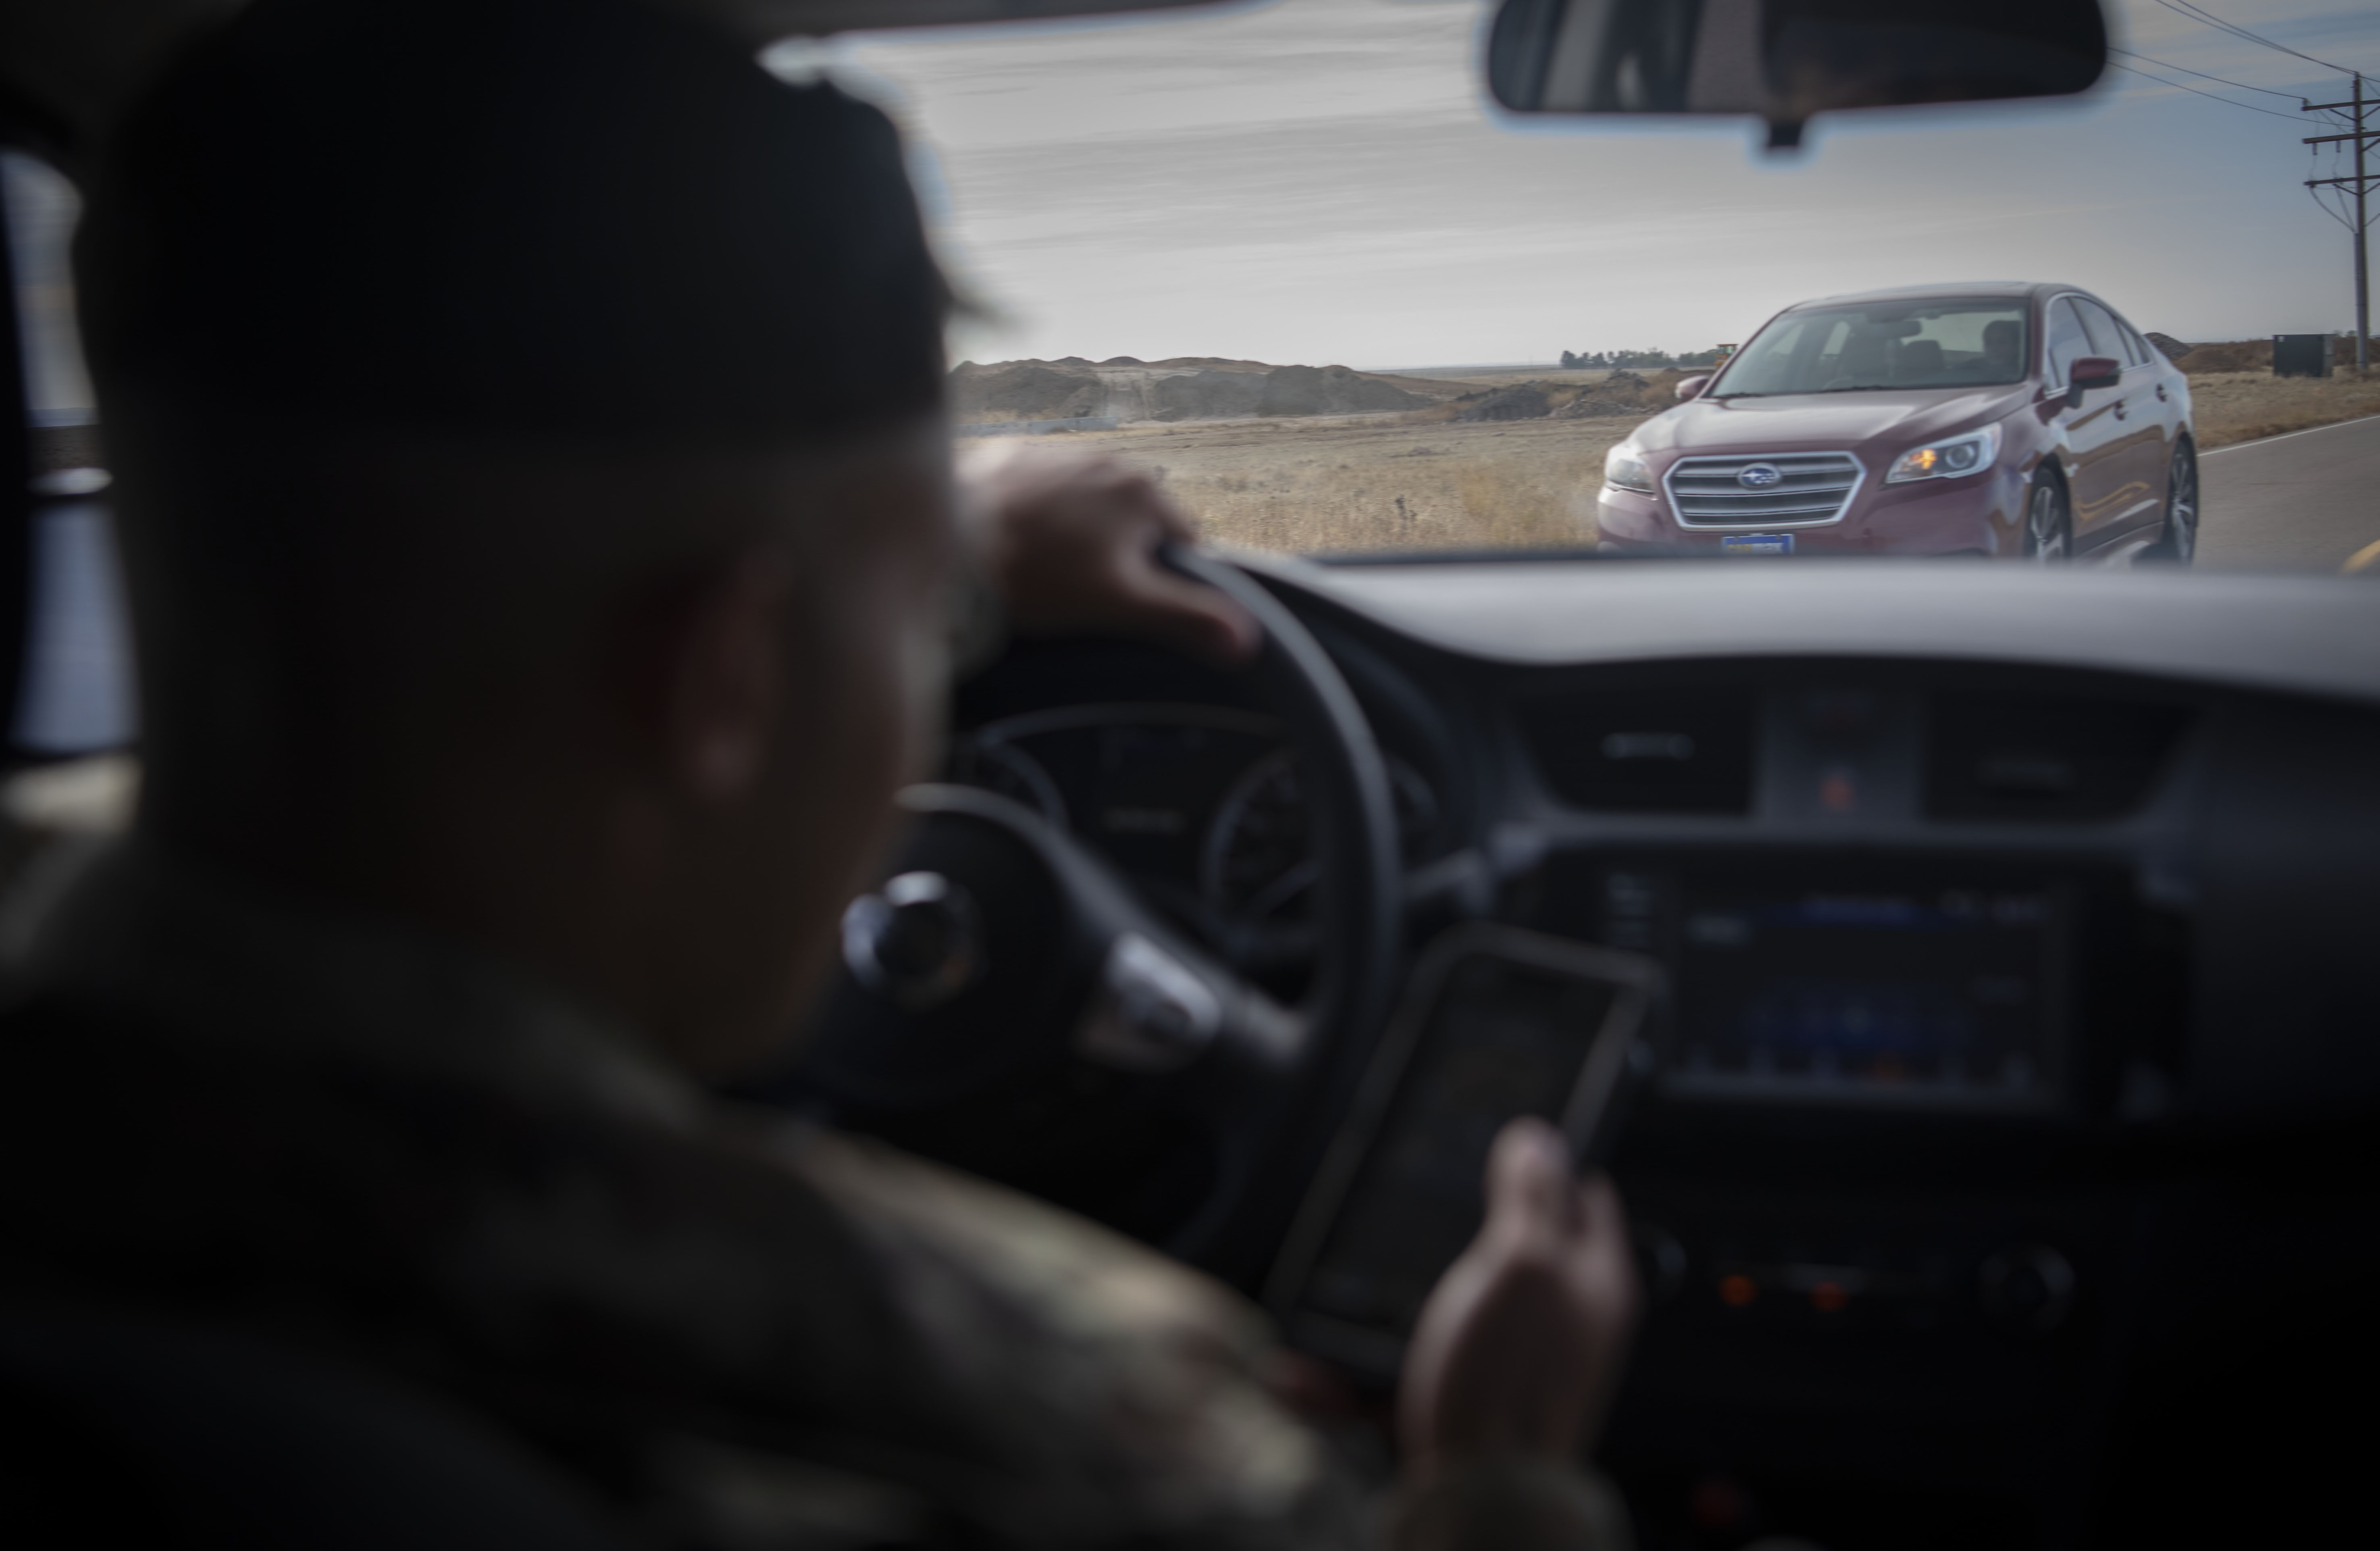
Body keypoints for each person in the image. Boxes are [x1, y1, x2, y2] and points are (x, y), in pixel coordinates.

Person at [0, 0, 1639, 1545]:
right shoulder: (1083, 1447)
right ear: (729, 678)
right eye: (919, 621)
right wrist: (1495, 1487)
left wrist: (927, 555)